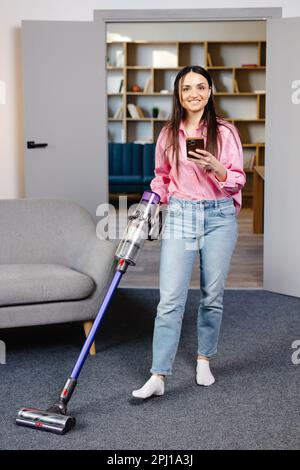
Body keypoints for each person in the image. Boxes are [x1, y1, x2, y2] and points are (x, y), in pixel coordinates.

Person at [132, 65, 246, 399]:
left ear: (210, 91)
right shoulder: (169, 133)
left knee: (212, 295)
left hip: (219, 216)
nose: (193, 94)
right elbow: (162, 177)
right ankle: (158, 375)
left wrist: (217, 167)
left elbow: (238, 179)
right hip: (181, 214)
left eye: (200, 87)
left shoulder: (225, 132)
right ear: (178, 95)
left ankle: (204, 359)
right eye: (185, 88)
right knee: (170, 298)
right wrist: (149, 203)